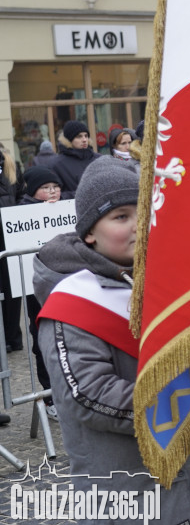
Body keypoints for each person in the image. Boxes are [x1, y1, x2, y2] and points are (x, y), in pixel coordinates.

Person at [34, 157, 190, 525]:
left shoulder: (165, 285)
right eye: (120, 217)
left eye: (143, 212)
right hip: (130, 493)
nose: (138, 226)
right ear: (89, 233)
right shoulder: (69, 305)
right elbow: (90, 397)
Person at [19, 166, 71, 419]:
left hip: (66, 284)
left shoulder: (67, 209)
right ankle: (50, 396)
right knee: (43, 339)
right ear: (33, 191)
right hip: (36, 288)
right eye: (46, 188)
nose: (52, 192)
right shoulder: (20, 213)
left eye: (55, 187)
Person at [0, 142, 24, 353]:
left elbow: (21, 195)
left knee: (12, 290)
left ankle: (13, 337)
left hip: (9, 238)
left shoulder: (10, 166)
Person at [52, 120, 101, 194]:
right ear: (69, 140)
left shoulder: (100, 159)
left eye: (86, 136)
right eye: (79, 136)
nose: (84, 140)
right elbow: (56, 194)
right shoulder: (57, 165)